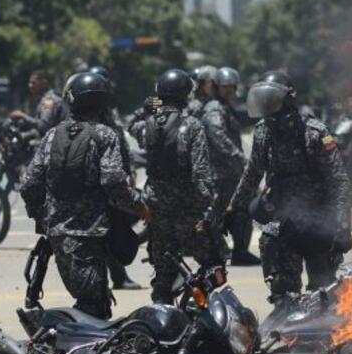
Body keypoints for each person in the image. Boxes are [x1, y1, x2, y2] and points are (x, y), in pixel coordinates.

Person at [20, 72, 147, 319]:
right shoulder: (104, 135)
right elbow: (113, 181)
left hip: (57, 236)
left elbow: (28, 184)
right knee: (93, 308)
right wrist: (139, 206)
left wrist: (44, 218)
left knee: (93, 300)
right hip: (90, 237)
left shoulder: (52, 135)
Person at [228, 70, 352, 310]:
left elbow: (339, 181)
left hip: (318, 221)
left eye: (272, 99)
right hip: (282, 222)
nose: (267, 105)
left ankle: (321, 343)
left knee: (323, 295)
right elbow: (253, 172)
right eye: (264, 99)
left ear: (288, 99)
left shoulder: (314, 132)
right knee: (284, 295)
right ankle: (287, 340)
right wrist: (232, 208)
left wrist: (343, 226)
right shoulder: (264, 131)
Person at [129, 69, 219, 303]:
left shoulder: (146, 126)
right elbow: (201, 171)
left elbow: (131, 125)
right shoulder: (192, 125)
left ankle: (163, 312)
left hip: (156, 203)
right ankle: (200, 305)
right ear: (186, 94)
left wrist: (149, 107)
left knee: (163, 266)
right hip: (187, 204)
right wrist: (209, 209)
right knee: (211, 262)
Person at [87, 66, 141, 291]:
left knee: (116, 225)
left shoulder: (110, 111)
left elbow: (119, 139)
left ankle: (118, 275)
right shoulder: (85, 112)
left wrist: (128, 170)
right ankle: (112, 277)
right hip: (95, 180)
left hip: (114, 173)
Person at [203, 67, 260, 265]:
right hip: (219, 176)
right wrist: (241, 160)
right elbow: (218, 137)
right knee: (215, 216)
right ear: (216, 87)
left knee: (243, 212)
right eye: (224, 87)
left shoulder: (228, 108)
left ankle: (240, 252)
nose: (228, 91)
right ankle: (214, 253)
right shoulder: (214, 109)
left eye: (231, 87)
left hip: (232, 175)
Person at [8, 70, 66, 139]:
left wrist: (22, 115)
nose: (30, 86)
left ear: (44, 83)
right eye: (29, 83)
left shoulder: (48, 100)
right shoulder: (43, 99)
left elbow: (43, 126)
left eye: (33, 83)